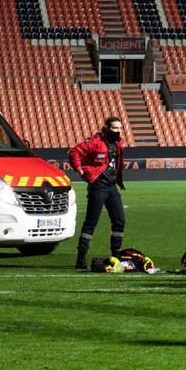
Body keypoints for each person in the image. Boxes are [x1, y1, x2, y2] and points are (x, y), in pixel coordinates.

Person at [69, 116, 127, 270]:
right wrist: (80, 170)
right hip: (98, 186)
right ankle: (81, 259)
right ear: (107, 127)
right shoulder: (95, 141)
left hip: (111, 186)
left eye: (120, 128)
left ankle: (116, 255)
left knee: (120, 220)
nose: (118, 131)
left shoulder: (118, 142)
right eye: (115, 128)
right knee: (91, 223)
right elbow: (74, 152)